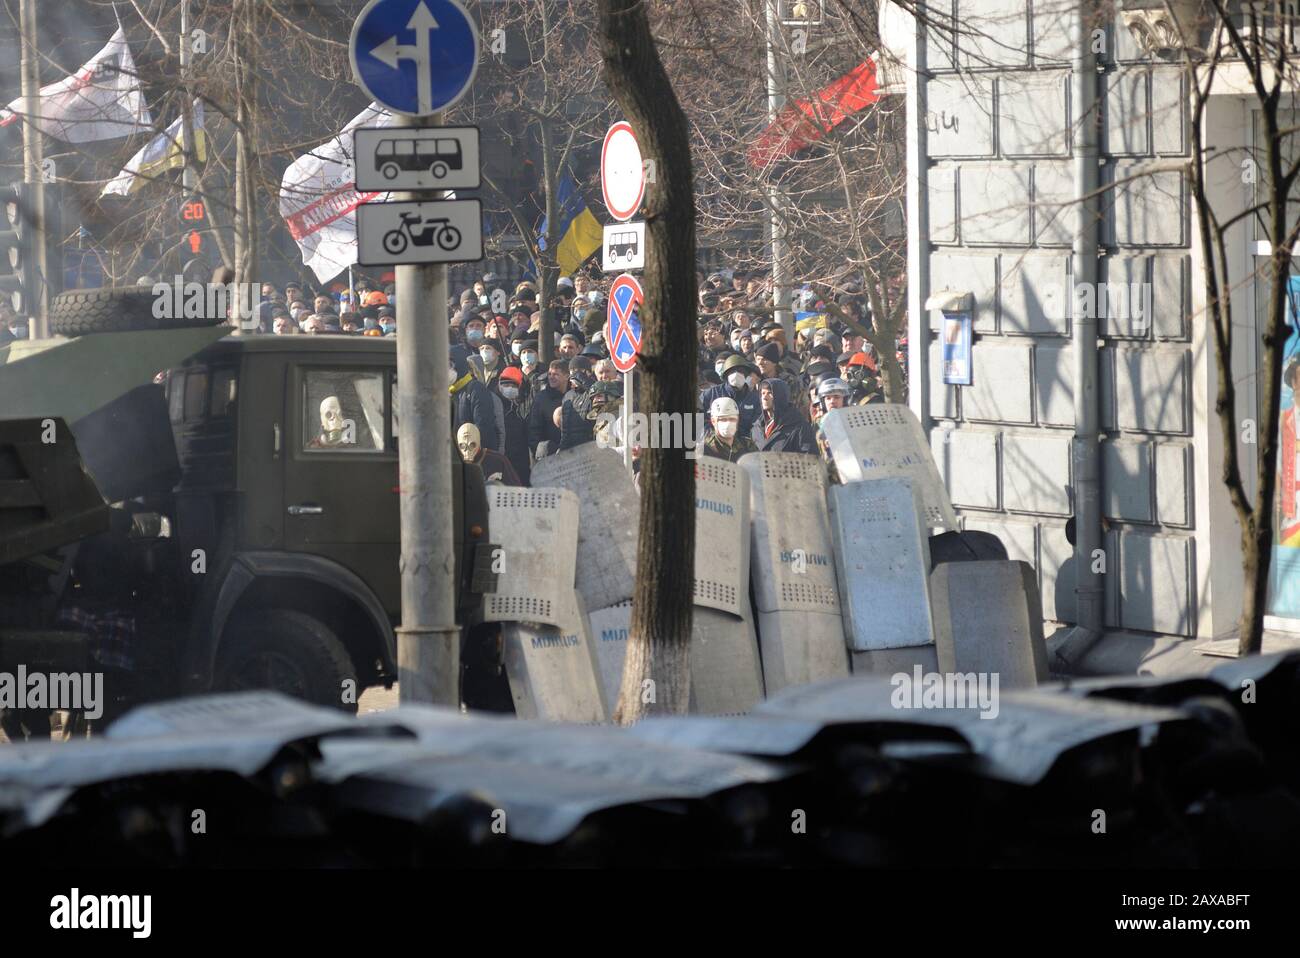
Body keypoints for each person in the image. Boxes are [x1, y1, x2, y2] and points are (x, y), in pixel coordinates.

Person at [450, 349, 503, 453]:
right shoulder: (448, 392)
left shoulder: (475, 389)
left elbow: (483, 427)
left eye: (450, 365)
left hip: (474, 456)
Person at [700, 354, 762, 436]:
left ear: (746, 375)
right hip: (714, 443)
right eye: (732, 371)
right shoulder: (710, 394)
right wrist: (713, 436)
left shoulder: (755, 399)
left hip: (744, 445)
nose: (736, 374)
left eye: (740, 371)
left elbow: (757, 426)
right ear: (726, 374)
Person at [753, 378, 817, 454]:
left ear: (781, 396)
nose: (764, 397)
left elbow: (810, 459)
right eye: (763, 393)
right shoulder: (756, 428)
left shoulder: (799, 426)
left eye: (770, 393)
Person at [497, 366, 532, 485]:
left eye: (513, 386)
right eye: (506, 385)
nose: (509, 389)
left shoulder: (518, 407)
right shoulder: (496, 406)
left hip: (519, 466)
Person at [528, 359, 567, 457]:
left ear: (567, 376)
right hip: (548, 455)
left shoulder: (573, 396)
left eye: (556, 375)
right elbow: (534, 429)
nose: (551, 378)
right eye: (550, 374)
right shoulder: (541, 399)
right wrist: (539, 452)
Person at [701, 397, 758, 463]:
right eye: (723, 419)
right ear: (713, 421)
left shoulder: (747, 445)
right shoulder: (705, 450)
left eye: (732, 419)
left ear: (738, 420)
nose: (728, 423)